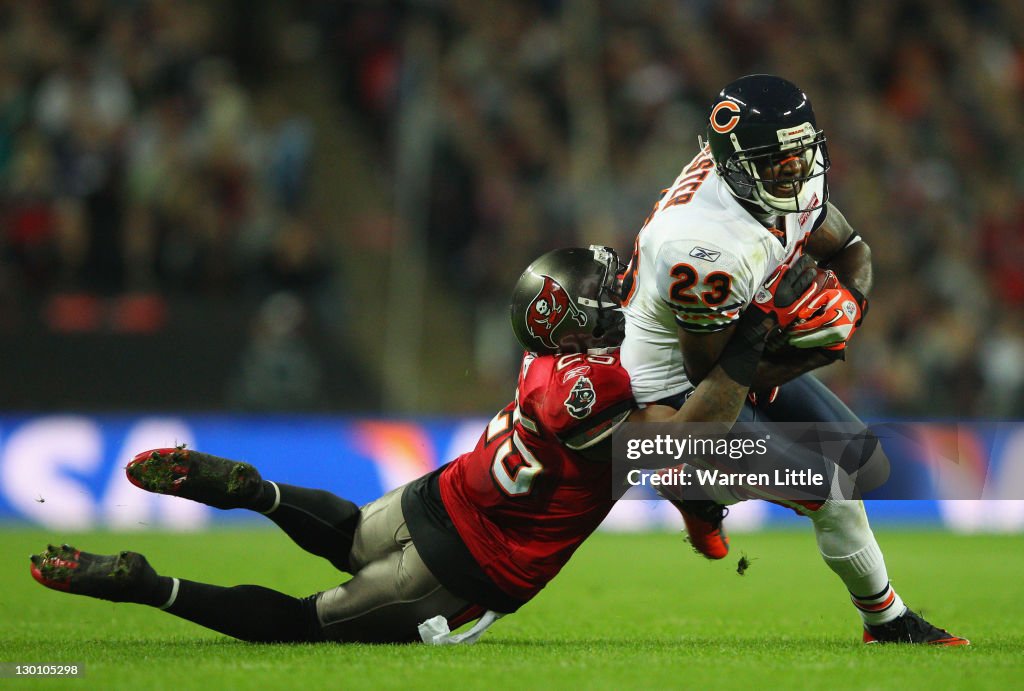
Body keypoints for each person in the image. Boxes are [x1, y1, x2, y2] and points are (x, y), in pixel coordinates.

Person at [30, 245, 810, 644]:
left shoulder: (550, 360)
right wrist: (751, 358)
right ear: (574, 317)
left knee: (348, 542)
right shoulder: (603, 385)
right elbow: (684, 442)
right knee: (303, 624)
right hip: (468, 561)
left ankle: (256, 491)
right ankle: (145, 583)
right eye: (604, 288)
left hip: (446, 492)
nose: (619, 289)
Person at [618, 74, 968, 645]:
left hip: (738, 347)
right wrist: (794, 338)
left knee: (859, 460)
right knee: (827, 487)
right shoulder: (702, 246)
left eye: (799, 152)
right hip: (678, 396)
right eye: (774, 158)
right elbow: (713, 377)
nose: (794, 170)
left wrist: (847, 306)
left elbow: (853, 249)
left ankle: (702, 489)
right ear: (733, 165)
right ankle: (887, 622)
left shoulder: (781, 185)